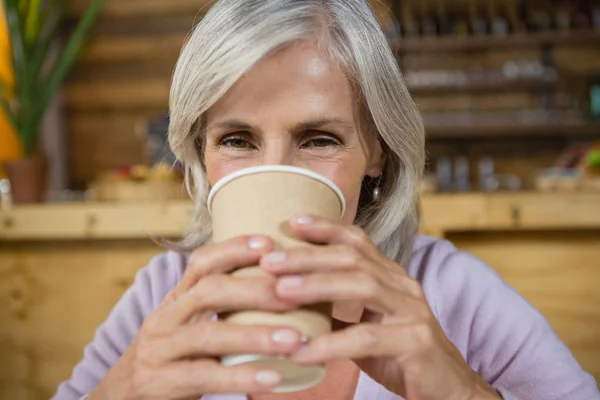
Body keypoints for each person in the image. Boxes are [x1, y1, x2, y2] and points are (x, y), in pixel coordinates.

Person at [53, 1, 600, 399]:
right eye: (237, 140)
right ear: (201, 156)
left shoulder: (454, 294)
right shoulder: (163, 296)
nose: (277, 171)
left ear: (377, 155)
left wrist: (461, 394)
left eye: (319, 139)